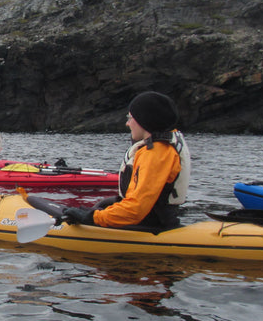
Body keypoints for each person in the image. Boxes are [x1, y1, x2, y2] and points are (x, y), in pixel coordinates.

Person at [62, 92, 190, 230]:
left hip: (152, 224)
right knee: (102, 205)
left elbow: (136, 209)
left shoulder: (157, 153)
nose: (127, 123)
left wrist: (93, 218)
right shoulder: (159, 147)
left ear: (144, 120)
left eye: (130, 118)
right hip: (150, 218)